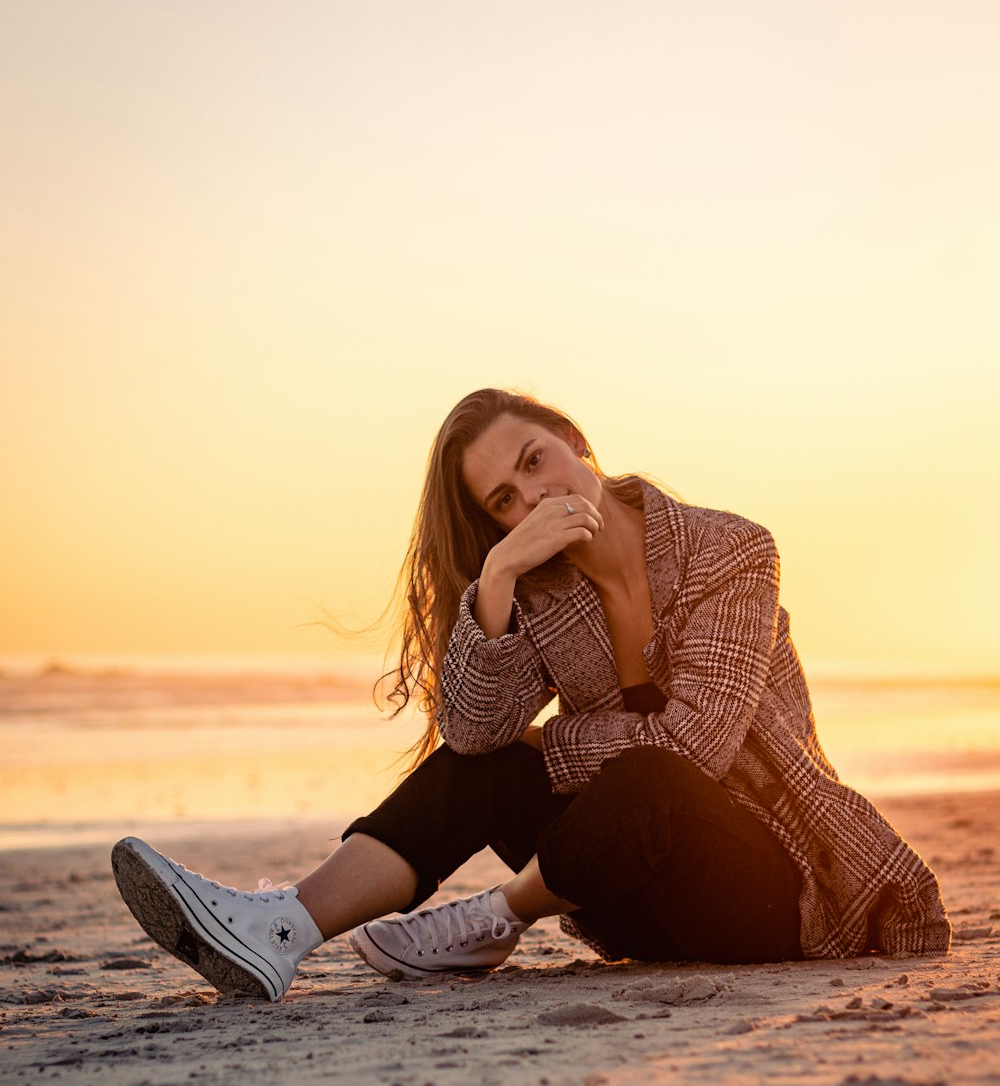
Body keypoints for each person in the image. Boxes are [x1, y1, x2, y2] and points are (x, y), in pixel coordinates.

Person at [111, 388, 951, 1002]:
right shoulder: (538, 589)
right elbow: (474, 735)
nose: (535, 495)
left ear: (574, 437)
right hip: (629, 906)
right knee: (490, 769)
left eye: (535, 461)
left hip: (775, 896)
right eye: (504, 502)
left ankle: (495, 915)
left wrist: (553, 748)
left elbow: (697, 747)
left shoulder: (729, 550)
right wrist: (499, 579)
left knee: (652, 777)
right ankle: (281, 928)